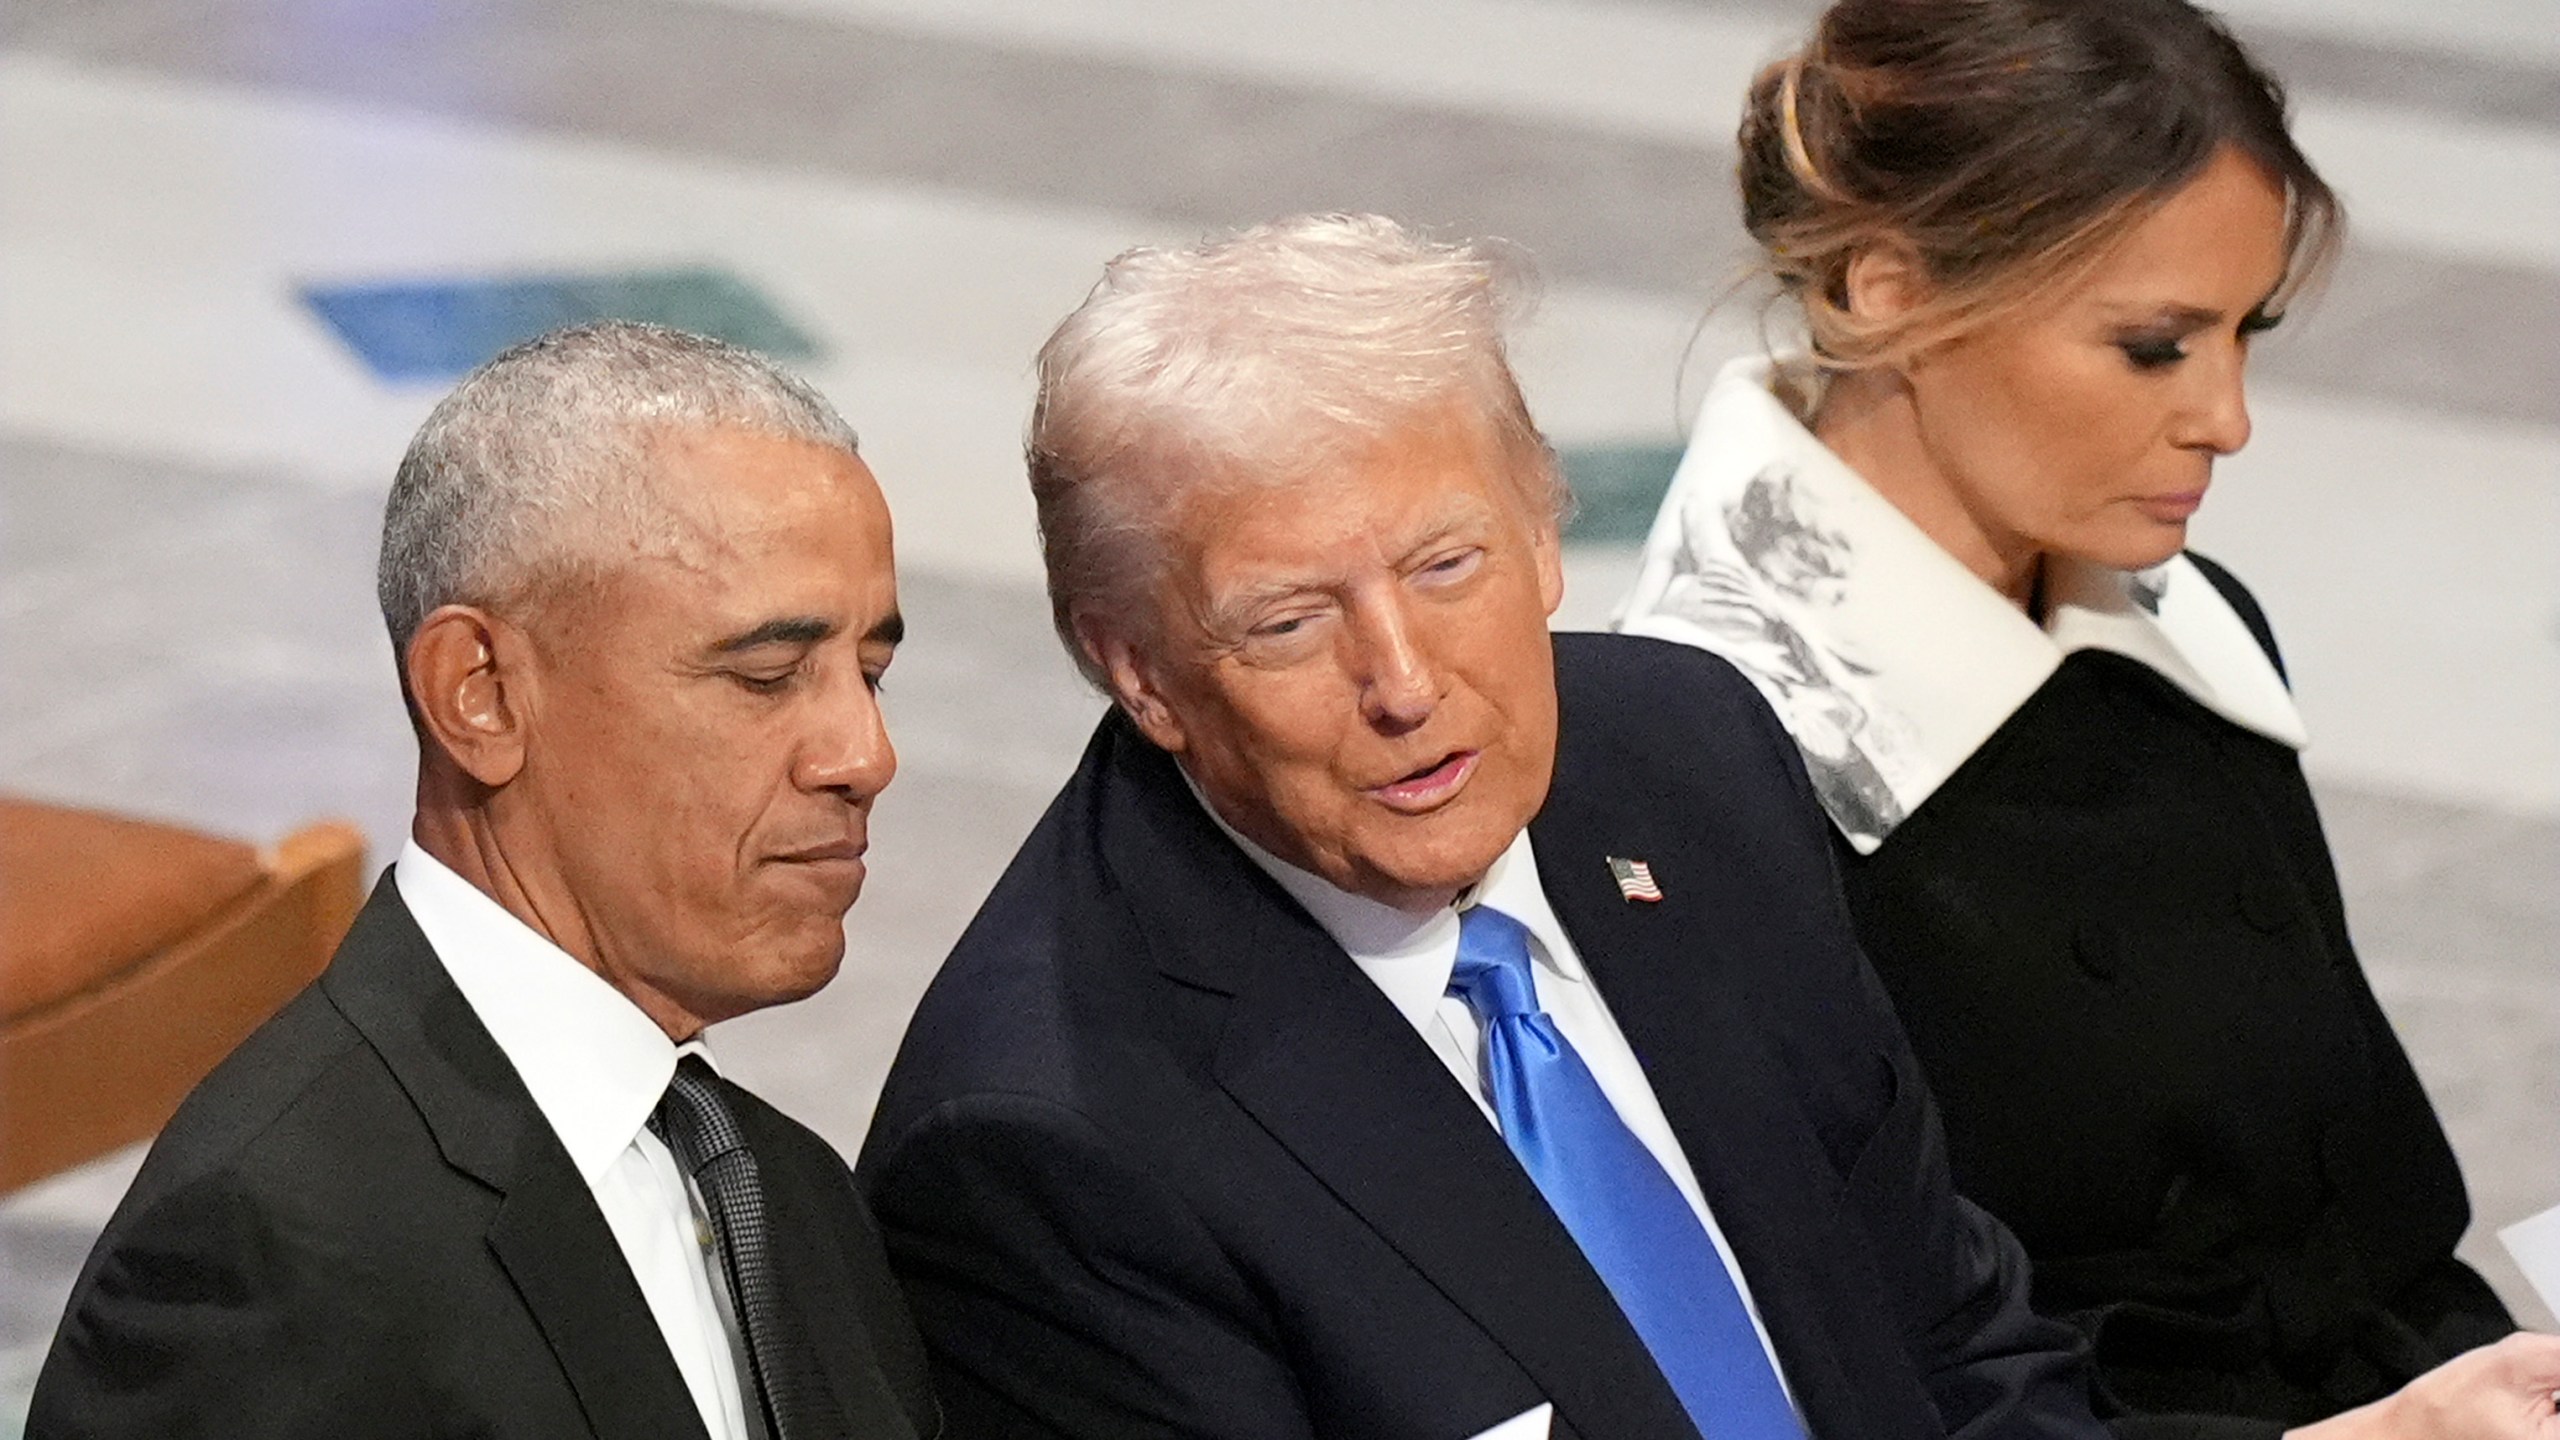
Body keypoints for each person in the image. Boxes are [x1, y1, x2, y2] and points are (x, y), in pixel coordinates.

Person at [857, 213, 2105, 1440]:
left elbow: (1950, 1338)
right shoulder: (1046, 1149)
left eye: (1447, 567)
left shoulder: (1687, 757)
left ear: (1545, 533)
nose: (1402, 683)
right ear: (1138, 672)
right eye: (1290, 622)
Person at [1612, 3, 2560, 1437]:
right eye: (2155, 346)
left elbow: (2371, 1229)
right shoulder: (1705, 780)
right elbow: (1837, 1381)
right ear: (1884, 290)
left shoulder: (2192, 628)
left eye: (2248, 334)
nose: (2229, 419)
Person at [30, 322, 939, 1440]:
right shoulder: (272, 1251)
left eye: (872, 675)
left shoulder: (784, 1190)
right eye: (764, 677)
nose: (862, 756)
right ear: (481, 695)